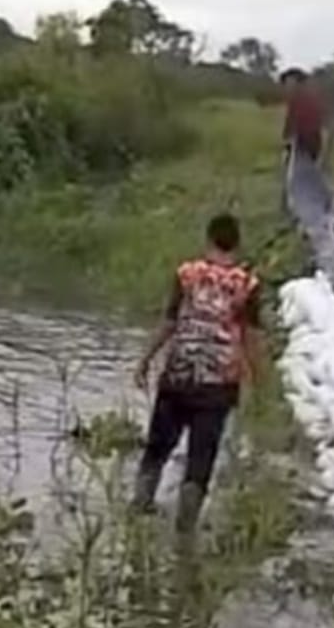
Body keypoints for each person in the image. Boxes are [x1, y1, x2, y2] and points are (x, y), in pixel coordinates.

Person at [131, 214, 264, 534]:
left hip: (178, 377)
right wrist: (258, 380)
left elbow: (169, 322)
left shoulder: (187, 274)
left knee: (157, 449)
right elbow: (251, 338)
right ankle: (185, 533)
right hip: (218, 386)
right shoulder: (247, 285)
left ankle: (139, 509)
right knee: (200, 459)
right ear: (238, 244)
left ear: (208, 240)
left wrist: (144, 360)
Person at [280, 68, 323, 162]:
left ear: (297, 83)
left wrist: (290, 141)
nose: (286, 87)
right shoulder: (294, 99)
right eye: (285, 83)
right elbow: (290, 121)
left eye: (288, 83)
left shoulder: (306, 99)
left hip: (304, 146)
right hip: (298, 144)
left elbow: (307, 126)